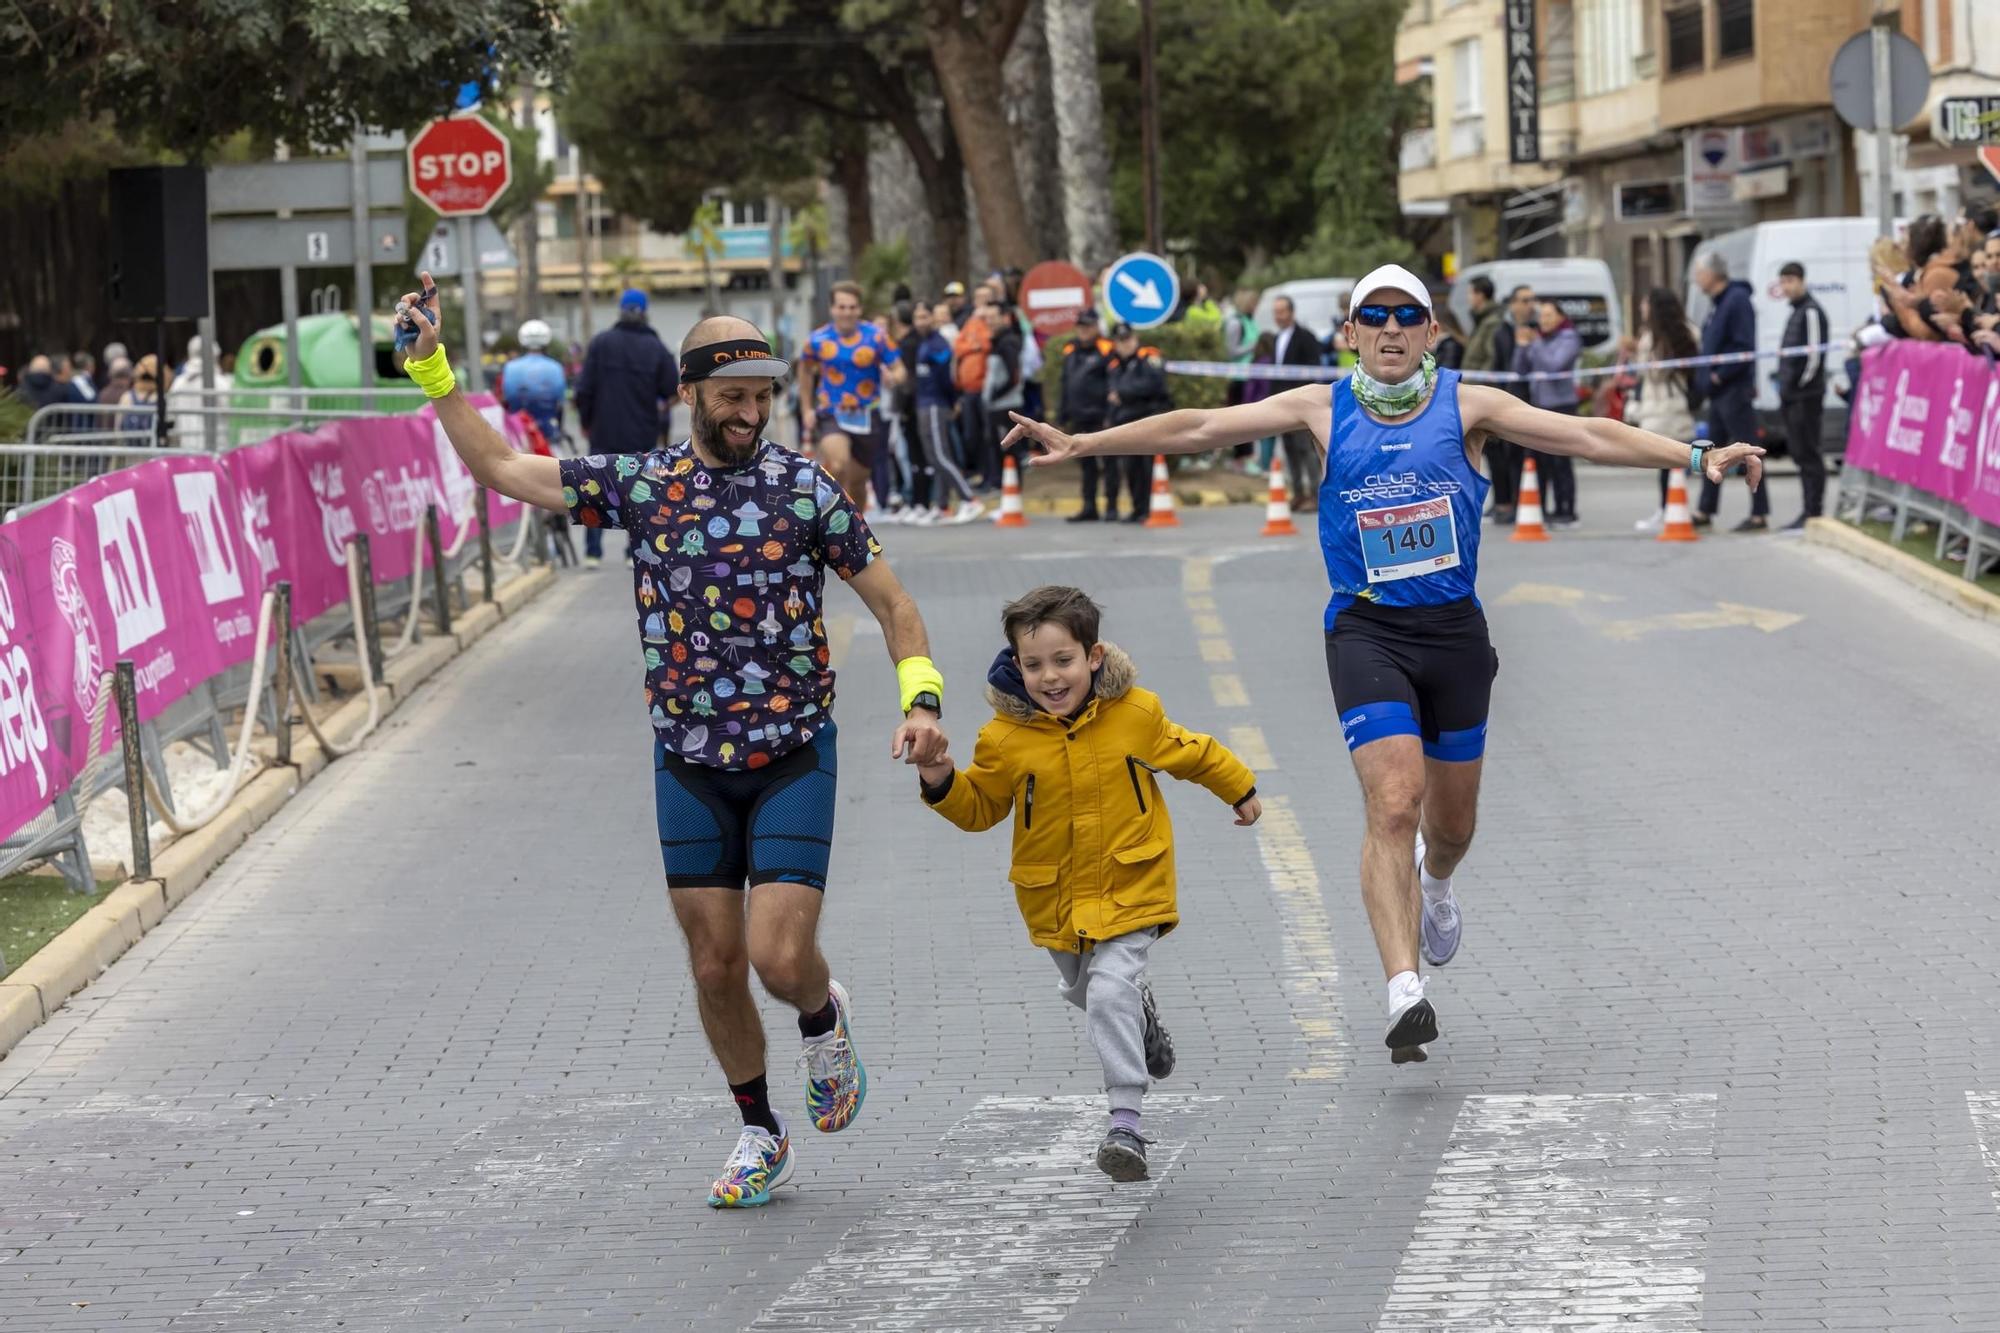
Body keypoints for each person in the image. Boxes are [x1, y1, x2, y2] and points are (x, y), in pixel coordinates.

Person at [1002, 263, 1765, 1064]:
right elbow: (1198, 427)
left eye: (1409, 316)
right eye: (1376, 315)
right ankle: (1404, 988)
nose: (1392, 329)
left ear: (1432, 331)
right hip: (1367, 632)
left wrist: (1694, 456)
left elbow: (1584, 433)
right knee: (1393, 803)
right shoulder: (1320, 406)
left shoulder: (1469, 403)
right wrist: (1085, 440)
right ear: (1352, 332)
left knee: (1451, 825)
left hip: (1455, 635)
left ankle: (1435, 883)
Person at [392, 271, 950, 1209]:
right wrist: (435, 371)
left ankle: (822, 1012)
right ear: (688, 393)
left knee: (777, 959)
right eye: (733, 395)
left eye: (764, 395)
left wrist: (921, 699)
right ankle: (758, 1131)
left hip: (792, 752)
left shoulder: (804, 488)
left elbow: (893, 605)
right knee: (713, 965)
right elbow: (504, 471)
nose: (751, 412)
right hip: (688, 759)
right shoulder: (643, 485)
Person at [917, 586, 1259, 1180]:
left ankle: (1125, 1121)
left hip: (1133, 882)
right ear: (1016, 665)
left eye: (1063, 660)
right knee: (1086, 990)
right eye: (1033, 665)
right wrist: (940, 776)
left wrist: (1241, 787)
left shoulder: (1136, 714)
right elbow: (978, 809)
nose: (1050, 677)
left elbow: (1192, 752)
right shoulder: (1003, 738)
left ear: (1094, 656)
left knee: (1106, 992)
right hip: (1052, 898)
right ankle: (1140, 1017)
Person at [576, 288, 680, 566]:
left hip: (603, 431)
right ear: (645, 313)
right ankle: (634, 552)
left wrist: (586, 423)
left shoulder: (600, 343)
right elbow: (673, 389)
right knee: (640, 492)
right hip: (642, 432)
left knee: (595, 489)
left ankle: (592, 553)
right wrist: (660, 409)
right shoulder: (656, 347)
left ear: (620, 311)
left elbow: (583, 389)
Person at [797, 282, 905, 517]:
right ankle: (828, 520)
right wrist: (806, 408)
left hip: (866, 413)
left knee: (858, 481)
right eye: (841, 307)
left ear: (860, 309)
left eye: (852, 307)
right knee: (838, 464)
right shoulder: (817, 339)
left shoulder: (876, 337)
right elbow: (804, 371)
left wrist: (892, 378)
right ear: (832, 308)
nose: (847, 312)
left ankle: (857, 525)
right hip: (832, 411)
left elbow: (899, 369)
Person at [1689, 250, 1769, 531]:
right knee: (1710, 452)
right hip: (1718, 394)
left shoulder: (1737, 301)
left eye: (1699, 273)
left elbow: (1742, 347)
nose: (1697, 279)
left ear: (1712, 273)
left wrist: (1718, 377)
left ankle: (1759, 513)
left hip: (1734, 390)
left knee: (1747, 452)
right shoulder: (1718, 303)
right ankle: (1705, 509)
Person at [1628, 287, 1702, 532]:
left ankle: (1668, 510)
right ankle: (1672, 508)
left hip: (1662, 405)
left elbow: (1651, 372)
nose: (1642, 308)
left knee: (1666, 461)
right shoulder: (1686, 331)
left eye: (1646, 304)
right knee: (1675, 460)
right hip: (1674, 405)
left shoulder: (1656, 337)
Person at [1510, 298, 1583, 527]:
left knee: (1560, 459)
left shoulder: (1569, 338)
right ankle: (1540, 508)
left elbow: (1554, 365)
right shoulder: (1537, 341)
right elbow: (1519, 370)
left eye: (1550, 316)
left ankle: (1566, 510)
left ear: (1561, 317)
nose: (1545, 320)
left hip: (1561, 405)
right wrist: (1522, 346)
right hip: (1538, 405)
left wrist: (1535, 344)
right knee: (1539, 460)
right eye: (1542, 316)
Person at [912, 302, 984, 524]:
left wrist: (953, 401)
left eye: (925, 316)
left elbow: (946, 378)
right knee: (934, 456)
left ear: (933, 319)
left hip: (936, 404)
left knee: (941, 455)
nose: (921, 321)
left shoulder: (938, 344)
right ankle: (942, 506)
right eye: (918, 317)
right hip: (924, 403)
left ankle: (970, 499)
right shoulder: (924, 344)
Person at [1776, 262, 1830, 531]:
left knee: (1809, 454)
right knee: (1799, 453)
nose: (1786, 287)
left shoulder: (1810, 312)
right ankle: (1807, 510)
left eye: (1790, 281)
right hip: (1791, 396)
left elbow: (1813, 358)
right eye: (1783, 281)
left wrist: (1797, 387)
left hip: (1805, 397)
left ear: (1801, 281)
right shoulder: (1796, 312)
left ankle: (1813, 511)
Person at [1461, 277, 1520, 523]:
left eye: (1470, 293)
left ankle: (1506, 502)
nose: (1467, 298)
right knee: (1490, 455)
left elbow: (1493, 361)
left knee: (1498, 455)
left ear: (1480, 295)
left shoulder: (1493, 323)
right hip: (1478, 392)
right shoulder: (1483, 320)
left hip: (1487, 394)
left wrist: (1483, 389)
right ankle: (1501, 501)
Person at [1105, 322, 1169, 523]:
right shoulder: (1114, 364)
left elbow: (1154, 384)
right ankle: (1138, 508)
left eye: (1128, 339)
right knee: (1131, 468)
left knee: (1147, 467)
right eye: (1120, 341)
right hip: (1126, 421)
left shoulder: (1148, 357)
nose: (1125, 345)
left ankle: (1152, 506)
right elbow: (1110, 393)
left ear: (1135, 339)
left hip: (1148, 418)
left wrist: (1124, 394)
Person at [1060, 311, 1119, 522]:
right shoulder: (1070, 348)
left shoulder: (1106, 348)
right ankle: (1089, 506)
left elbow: (1114, 382)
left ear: (1096, 326)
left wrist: (1111, 415)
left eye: (1087, 326)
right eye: (1080, 326)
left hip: (1101, 416)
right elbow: (1065, 382)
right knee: (1086, 465)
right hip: (1079, 415)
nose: (1083, 330)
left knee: (1110, 463)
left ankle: (1112, 506)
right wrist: (1063, 413)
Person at [1269, 296, 1326, 512]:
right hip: (1280, 405)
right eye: (1276, 312)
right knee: (1290, 450)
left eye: (1282, 311)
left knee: (1306, 450)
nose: (1278, 316)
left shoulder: (1306, 338)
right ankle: (1298, 493)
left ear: (1291, 312)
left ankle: (1315, 494)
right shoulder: (1276, 339)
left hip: (1302, 404)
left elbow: (1315, 370)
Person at [952, 296, 998, 488]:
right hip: (968, 390)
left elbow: (989, 344)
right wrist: (974, 347)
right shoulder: (970, 324)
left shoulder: (989, 324)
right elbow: (958, 346)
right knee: (972, 435)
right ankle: (983, 473)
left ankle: (993, 476)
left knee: (988, 436)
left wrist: (975, 346)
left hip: (984, 389)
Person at [500, 318, 568, 445]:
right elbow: (560, 404)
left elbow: (506, 401)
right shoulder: (556, 367)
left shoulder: (510, 367)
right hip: (549, 433)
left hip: (519, 434)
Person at [982, 304, 1027, 476]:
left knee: (1008, 451)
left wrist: (994, 395)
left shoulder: (1008, 342)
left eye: (993, 317)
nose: (990, 321)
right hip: (997, 406)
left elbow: (1014, 377)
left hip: (1007, 407)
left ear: (1004, 317)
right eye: (987, 318)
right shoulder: (998, 340)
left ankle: (1013, 492)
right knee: (999, 451)